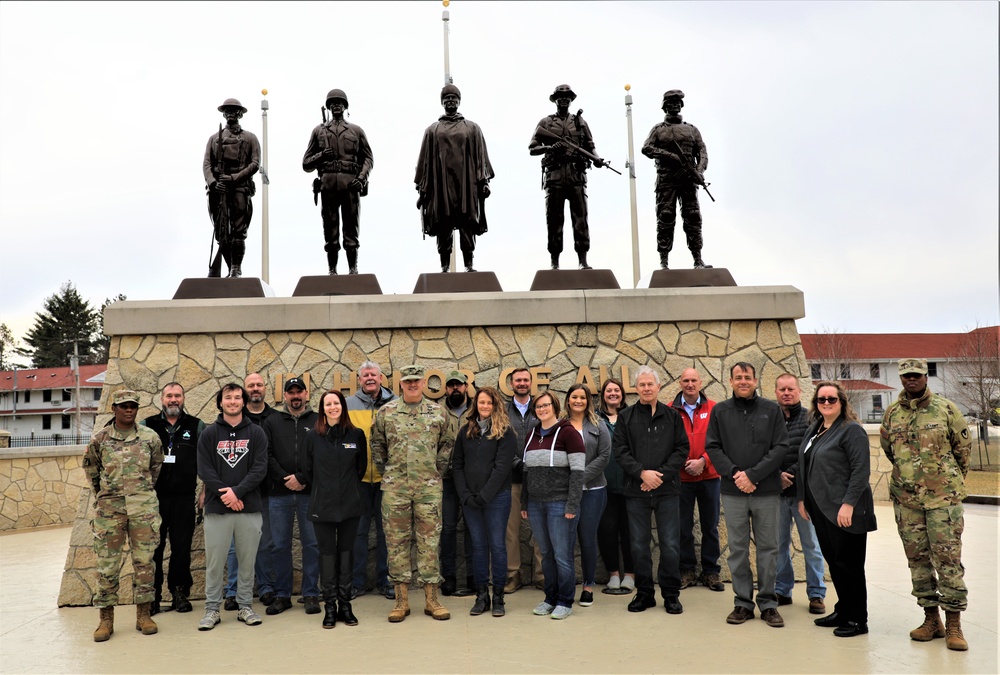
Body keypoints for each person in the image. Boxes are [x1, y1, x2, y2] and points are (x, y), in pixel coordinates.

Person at [881, 358, 972, 651]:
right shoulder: (892, 413)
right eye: (906, 376)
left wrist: (947, 480)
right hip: (907, 501)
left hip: (943, 500)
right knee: (918, 562)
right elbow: (889, 450)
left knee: (948, 562)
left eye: (917, 375)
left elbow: (963, 450)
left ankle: (954, 624)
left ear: (925, 378)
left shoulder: (945, 409)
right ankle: (931, 620)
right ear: (901, 378)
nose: (911, 380)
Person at [371, 365, 458, 622]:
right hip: (395, 490)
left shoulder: (437, 412)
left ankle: (432, 600)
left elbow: (447, 445)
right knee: (396, 544)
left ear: (423, 383)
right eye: (407, 381)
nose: (411, 385)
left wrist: (434, 473)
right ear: (401, 385)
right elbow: (377, 445)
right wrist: (390, 472)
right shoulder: (386, 413)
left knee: (429, 543)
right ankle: (401, 602)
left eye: (416, 381)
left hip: (428, 490)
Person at [705, 362, 788, 627]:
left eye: (748, 377)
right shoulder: (720, 411)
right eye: (738, 377)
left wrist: (753, 475)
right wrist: (736, 474)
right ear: (730, 381)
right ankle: (742, 603)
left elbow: (780, 448)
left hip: (766, 491)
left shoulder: (771, 410)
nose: (743, 381)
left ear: (755, 381)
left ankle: (768, 603)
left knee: (768, 548)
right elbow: (713, 448)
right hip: (733, 492)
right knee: (738, 550)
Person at [83, 389, 164, 642]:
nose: (129, 410)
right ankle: (105, 620)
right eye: (123, 406)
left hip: (143, 510)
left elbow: (156, 468)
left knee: (144, 564)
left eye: (133, 406)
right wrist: (106, 496)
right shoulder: (100, 439)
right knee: (107, 566)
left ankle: (143, 615)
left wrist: (140, 495)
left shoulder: (150, 437)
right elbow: (92, 472)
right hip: (110, 512)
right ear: (114, 408)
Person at [798, 382, 877, 638]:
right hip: (821, 509)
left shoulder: (851, 430)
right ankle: (844, 610)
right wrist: (803, 499)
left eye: (832, 399)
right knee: (835, 563)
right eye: (822, 399)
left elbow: (861, 471)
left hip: (845, 510)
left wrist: (849, 504)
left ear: (842, 402)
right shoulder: (816, 429)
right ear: (816, 403)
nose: (827, 403)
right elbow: (805, 465)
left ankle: (857, 619)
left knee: (850, 565)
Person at [613, 366, 689, 615]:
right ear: (636, 388)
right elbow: (620, 451)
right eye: (642, 384)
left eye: (650, 384)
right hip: (636, 491)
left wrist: (660, 476)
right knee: (638, 545)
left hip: (667, 491)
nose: (646, 388)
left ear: (658, 387)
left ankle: (670, 595)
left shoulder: (673, 416)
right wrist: (642, 473)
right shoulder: (626, 417)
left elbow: (681, 449)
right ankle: (644, 594)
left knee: (670, 545)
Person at [196, 383, 268, 631]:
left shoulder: (257, 432)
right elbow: (204, 469)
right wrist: (227, 494)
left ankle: (245, 606)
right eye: (228, 397)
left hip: (249, 508)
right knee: (215, 562)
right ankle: (212, 609)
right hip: (218, 509)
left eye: (238, 397)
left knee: (247, 561)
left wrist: (237, 492)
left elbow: (260, 468)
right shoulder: (209, 433)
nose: (233, 401)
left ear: (243, 402)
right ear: (220, 402)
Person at [520, 391, 586, 620]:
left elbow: (578, 473)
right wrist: (525, 501)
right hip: (536, 504)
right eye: (538, 406)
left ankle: (565, 601)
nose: (542, 409)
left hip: (560, 504)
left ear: (555, 407)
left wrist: (572, 505)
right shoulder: (531, 435)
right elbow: (526, 472)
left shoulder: (569, 433)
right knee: (546, 554)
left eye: (546, 405)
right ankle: (550, 598)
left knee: (562, 555)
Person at [303, 390, 367, 628]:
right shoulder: (313, 437)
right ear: (323, 408)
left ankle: (346, 605)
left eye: (336, 403)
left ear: (343, 407)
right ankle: (330, 607)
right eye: (328, 404)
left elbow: (361, 469)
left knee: (346, 555)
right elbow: (307, 470)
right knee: (327, 556)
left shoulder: (356, 435)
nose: (333, 407)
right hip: (323, 506)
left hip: (350, 506)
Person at [415, 84, 494, 273]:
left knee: (467, 222)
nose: (450, 101)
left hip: (466, 184)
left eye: (454, 98)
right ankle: (444, 266)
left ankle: (469, 264)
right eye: (447, 98)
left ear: (459, 101)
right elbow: (424, 162)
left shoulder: (472, 128)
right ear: (442, 102)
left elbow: (480, 157)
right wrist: (423, 190)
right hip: (441, 185)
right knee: (444, 223)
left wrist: (484, 182)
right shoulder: (432, 130)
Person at [452, 386, 516, 617]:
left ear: (495, 404)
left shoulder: (505, 432)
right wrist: (466, 495)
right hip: (471, 500)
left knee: (497, 546)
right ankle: (481, 596)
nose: (485, 406)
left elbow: (501, 468)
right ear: (475, 405)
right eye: (481, 402)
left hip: (497, 498)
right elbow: (457, 465)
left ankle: (498, 596)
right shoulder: (465, 432)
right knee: (478, 547)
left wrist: (485, 495)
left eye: (489, 402)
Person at [141, 382, 204, 616]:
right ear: (162, 399)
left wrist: (205, 491)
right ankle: (153, 597)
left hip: (184, 498)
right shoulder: (147, 426)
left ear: (184, 398)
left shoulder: (196, 426)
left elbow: (207, 462)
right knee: (154, 549)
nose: (173, 399)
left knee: (181, 548)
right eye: (169, 395)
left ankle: (179, 592)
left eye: (178, 395)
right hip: (153, 500)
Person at [528, 84, 606, 270]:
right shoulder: (545, 123)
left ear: (571, 100)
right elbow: (532, 147)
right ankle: (554, 262)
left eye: (567, 97)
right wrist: (548, 148)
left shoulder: (580, 122)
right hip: (554, 176)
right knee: (554, 220)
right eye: (560, 96)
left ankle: (583, 260)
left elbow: (590, 144)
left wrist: (596, 157)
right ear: (555, 100)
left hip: (576, 175)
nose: (563, 99)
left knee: (581, 219)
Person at [263, 377, 321, 616]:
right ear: (284, 396)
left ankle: (310, 594)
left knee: (312, 545)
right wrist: (286, 478)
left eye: (299, 392)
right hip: (279, 494)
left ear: (306, 394)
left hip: (310, 493)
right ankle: (282, 594)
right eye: (291, 392)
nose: (295, 396)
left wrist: (303, 478)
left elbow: (322, 455)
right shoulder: (272, 421)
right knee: (279, 546)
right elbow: (266, 455)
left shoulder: (318, 420)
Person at [302, 88, 374, 275]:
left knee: (351, 228)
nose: (336, 105)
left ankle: (352, 269)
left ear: (345, 106)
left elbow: (368, 158)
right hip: (328, 185)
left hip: (350, 184)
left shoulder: (356, 131)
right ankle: (332, 270)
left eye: (339, 103)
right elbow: (306, 163)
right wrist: (321, 155)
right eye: (332, 103)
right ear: (328, 107)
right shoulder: (319, 131)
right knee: (330, 228)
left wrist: (361, 178)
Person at [222, 372, 277, 610]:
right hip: (236, 494)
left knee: (264, 543)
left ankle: (265, 588)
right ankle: (232, 591)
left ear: (265, 389)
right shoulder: (232, 420)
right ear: (245, 393)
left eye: (259, 385)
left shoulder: (276, 418)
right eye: (250, 386)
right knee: (234, 547)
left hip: (265, 492)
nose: (255, 389)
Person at [774, 374, 827, 614]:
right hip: (776, 493)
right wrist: (776, 475)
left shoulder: (811, 419)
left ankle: (816, 593)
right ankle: (782, 590)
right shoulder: (770, 419)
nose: (787, 393)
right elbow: (763, 451)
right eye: (782, 389)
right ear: (776, 392)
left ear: (799, 391)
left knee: (811, 545)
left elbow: (810, 453)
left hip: (803, 496)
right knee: (779, 545)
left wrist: (790, 475)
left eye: (791, 389)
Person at [641, 89, 711, 270]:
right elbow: (647, 148)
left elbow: (702, 152)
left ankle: (698, 259)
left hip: (688, 179)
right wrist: (669, 156)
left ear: (681, 105)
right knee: (665, 217)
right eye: (670, 103)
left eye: (677, 102)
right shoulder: (658, 130)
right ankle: (664, 261)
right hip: (666, 180)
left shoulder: (692, 130)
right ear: (664, 107)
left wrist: (699, 170)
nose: (674, 105)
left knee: (693, 217)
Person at [670, 368, 723, 592]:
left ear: (700, 383)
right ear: (680, 383)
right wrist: (683, 463)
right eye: (686, 380)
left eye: (694, 380)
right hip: (681, 478)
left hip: (709, 477)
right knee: (683, 527)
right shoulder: (670, 410)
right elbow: (668, 442)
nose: (690, 384)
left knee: (710, 526)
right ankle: (687, 570)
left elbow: (721, 440)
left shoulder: (714, 408)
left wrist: (704, 461)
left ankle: (711, 572)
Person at [346, 361, 395, 600]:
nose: (369, 379)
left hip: (388, 481)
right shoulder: (348, 405)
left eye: (373, 375)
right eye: (364, 375)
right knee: (358, 533)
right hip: (359, 481)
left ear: (381, 378)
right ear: (359, 379)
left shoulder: (395, 404)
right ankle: (357, 582)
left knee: (387, 533)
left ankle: (386, 581)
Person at [562, 383, 611, 607]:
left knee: (587, 539)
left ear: (588, 400)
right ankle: (567, 586)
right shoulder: (560, 426)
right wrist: (570, 481)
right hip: (565, 493)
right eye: (574, 397)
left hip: (593, 490)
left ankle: (589, 585)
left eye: (582, 397)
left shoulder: (598, 424)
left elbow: (604, 456)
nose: (578, 401)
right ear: (568, 400)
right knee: (567, 540)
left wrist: (579, 478)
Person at [202, 98, 261, 278]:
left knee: (238, 231)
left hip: (240, 188)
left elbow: (255, 163)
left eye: (234, 111)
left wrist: (234, 178)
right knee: (221, 231)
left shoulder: (250, 138)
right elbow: (206, 164)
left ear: (240, 114)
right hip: (219, 190)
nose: (230, 113)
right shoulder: (213, 139)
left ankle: (236, 268)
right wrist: (213, 183)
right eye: (227, 110)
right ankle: (228, 268)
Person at [503, 367, 542, 593]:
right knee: (511, 531)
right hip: (512, 479)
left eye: (526, 380)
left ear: (531, 383)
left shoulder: (541, 408)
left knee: (540, 530)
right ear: (511, 384)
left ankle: (542, 575)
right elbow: (501, 443)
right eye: (518, 380)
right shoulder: (503, 411)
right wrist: (519, 463)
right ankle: (512, 575)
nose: (522, 383)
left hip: (539, 480)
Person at [596, 377, 635, 594]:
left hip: (630, 485)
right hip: (604, 485)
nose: (613, 394)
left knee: (630, 531)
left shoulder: (631, 416)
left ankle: (630, 574)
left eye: (616, 390)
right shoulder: (594, 419)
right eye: (609, 390)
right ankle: (613, 574)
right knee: (607, 530)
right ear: (603, 395)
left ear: (622, 394)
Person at [440, 370, 475, 596]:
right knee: (448, 529)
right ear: (446, 389)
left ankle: (473, 578)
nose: (455, 389)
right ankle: (449, 577)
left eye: (459, 385)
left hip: (472, 480)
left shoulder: (477, 411)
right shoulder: (438, 412)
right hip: (446, 480)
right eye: (451, 385)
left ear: (465, 387)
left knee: (473, 530)